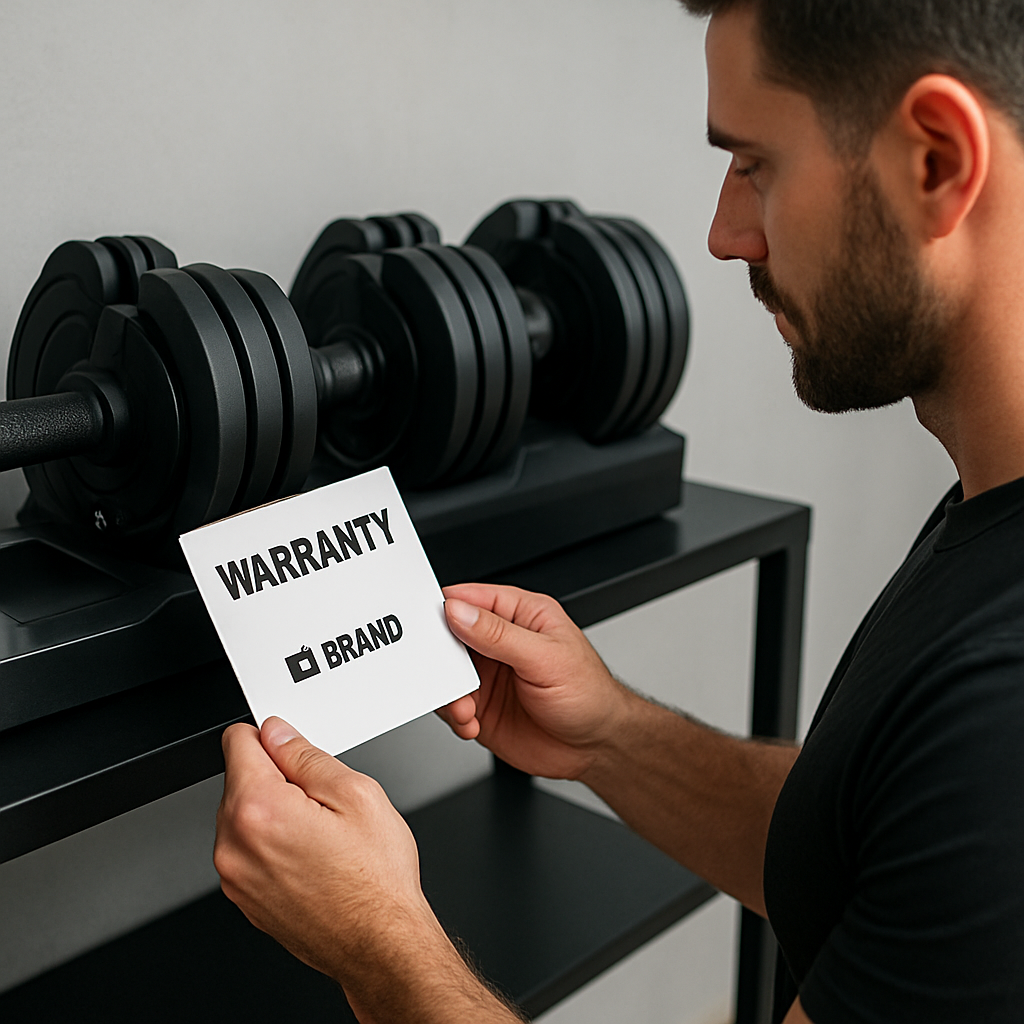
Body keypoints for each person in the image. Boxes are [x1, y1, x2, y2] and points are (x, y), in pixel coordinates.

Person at [212, 1, 1024, 1021]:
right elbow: (894, 849)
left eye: (755, 163)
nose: (724, 237)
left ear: (936, 161)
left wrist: (382, 948)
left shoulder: (1004, 711)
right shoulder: (993, 528)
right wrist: (611, 737)